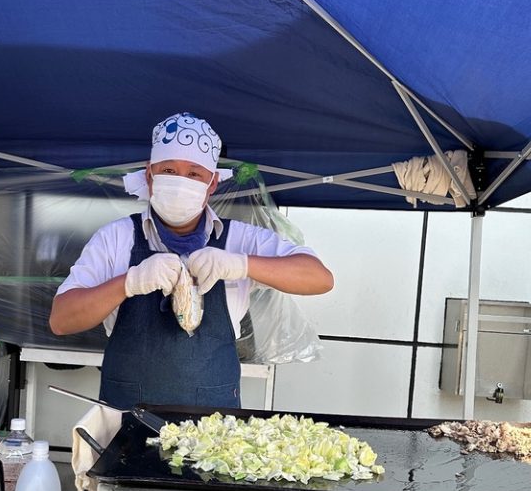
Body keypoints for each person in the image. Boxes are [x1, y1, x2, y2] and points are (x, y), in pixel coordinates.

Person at [49, 112, 334, 409]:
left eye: (194, 174)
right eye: (169, 171)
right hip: (127, 417)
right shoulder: (116, 239)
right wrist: (129, 282)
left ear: (211, 184)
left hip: (212, 425)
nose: (180, 182)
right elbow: (62, 320)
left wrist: (241, 264)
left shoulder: (241, 240)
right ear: (150, 175)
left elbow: (319, 278)